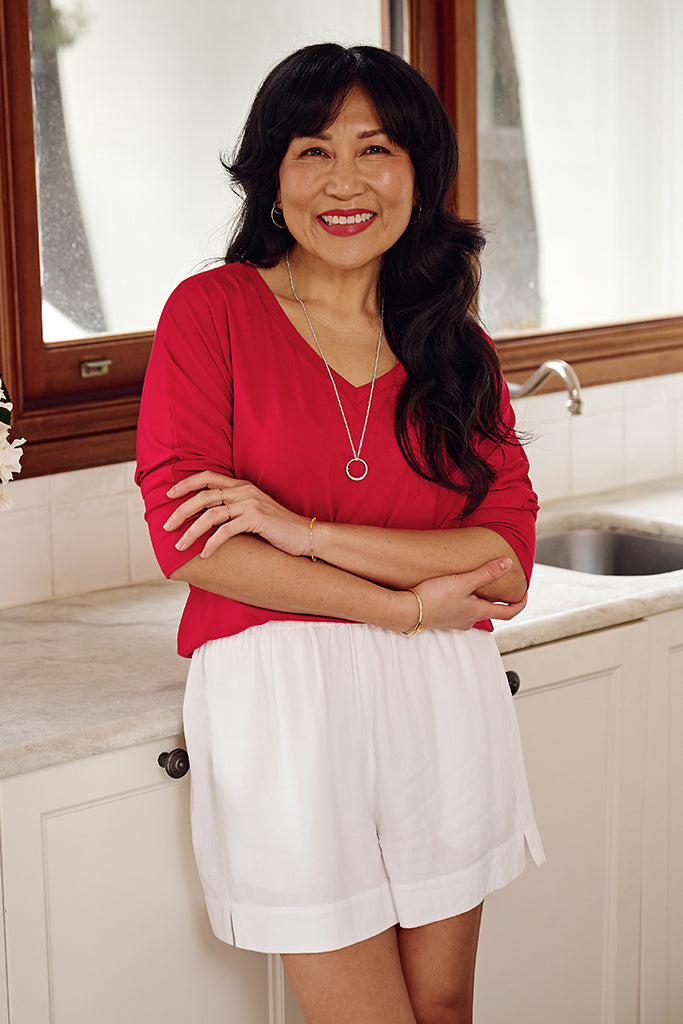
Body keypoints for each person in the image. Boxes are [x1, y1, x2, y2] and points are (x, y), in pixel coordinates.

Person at [136, 42, 544, 1024]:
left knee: (441, 1008)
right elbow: (191, 542)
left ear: (419, 176)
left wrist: (301, 531)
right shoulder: (213, 313)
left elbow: (500, 559)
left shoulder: (451, 339)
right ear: (273, 177)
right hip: (282, 699)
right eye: (313, 151)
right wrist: (402, 604)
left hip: (441, 688)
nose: (346, 181)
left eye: (376, 150)